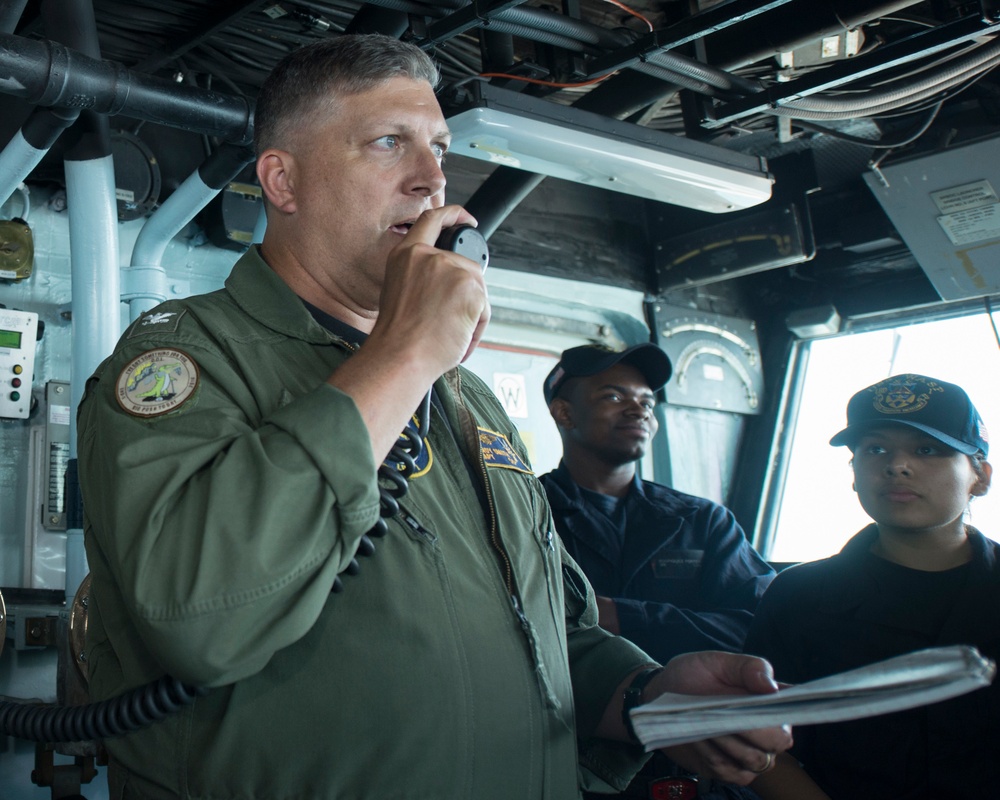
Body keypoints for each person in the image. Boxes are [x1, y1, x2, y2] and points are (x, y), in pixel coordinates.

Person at [76, 34, 791, 799]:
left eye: (440, 148)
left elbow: (546, 631)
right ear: (282, 182)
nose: (432, 179)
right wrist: (406, 355)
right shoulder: (189, 361)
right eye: (390, 144)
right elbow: (203, 615)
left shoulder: (463, 395)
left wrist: (646, 696)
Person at [744, 373, 998, 800]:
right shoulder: (799, 595)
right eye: (875, 449)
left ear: (981, 476)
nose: (896, 465)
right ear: (854, 475)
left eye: (927, 449)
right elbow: (761, 740)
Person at [540, 343, 775, 799]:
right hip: (565, 760)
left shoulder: (703, 521)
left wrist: (617, 616)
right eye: (612, 396)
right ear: (565, 413)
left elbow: (756, 629)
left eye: (647, 402)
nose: (637, 409)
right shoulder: (523, 514)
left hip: (700, 766)